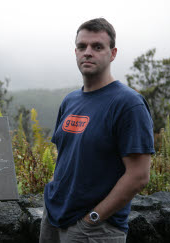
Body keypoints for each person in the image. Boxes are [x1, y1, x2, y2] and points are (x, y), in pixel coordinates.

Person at [39, 18, 155, 243]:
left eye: (97, 46)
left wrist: (92, 219)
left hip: (94, 229)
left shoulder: (128, 104)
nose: (88, 52)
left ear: (113, 53)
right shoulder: (70, 100)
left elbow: (139, 175)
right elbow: (65, 156)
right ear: (75, 52)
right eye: (82, 47)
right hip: (53, 218)